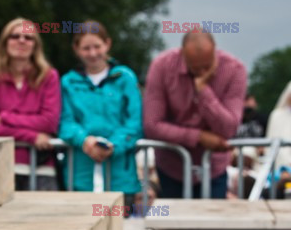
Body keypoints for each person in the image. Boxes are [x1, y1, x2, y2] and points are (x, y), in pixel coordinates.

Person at [144, 29, 247, 199]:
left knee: (213, 223)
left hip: (213, 167)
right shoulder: (162, 66)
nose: (201, 72)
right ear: (182, 53)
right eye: (195, 68)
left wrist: (203, 90)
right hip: (172, 167)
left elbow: (229, 129)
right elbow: (152, 125)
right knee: (173, 223)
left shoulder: (235, 70)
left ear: (215, 50)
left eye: (207, 66)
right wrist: (199, 137)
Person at [59, 21, 142, 207]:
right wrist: (84, 141)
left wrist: (113, 145)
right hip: (80, 176)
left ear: (107, 44)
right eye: (86, 48)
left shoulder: (125, 78)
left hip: (120, 177)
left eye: (97, 46)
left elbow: (135, 122)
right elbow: (65, 122)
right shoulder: (68, 82)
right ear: (76, 49)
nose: (93, 53)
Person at [0, 17, 61, 190]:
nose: (21, 40)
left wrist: (5, 117)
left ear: (35, 45)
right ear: (5, 42)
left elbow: (49, 122)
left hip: (40, 167)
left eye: (28, 37)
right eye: (15, 36)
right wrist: (31, 136)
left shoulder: (48, 77)